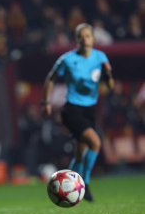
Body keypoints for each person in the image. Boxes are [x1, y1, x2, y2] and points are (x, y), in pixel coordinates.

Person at [42, 23, 114, 202]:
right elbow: (50, 79)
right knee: (95, 142)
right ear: (76, 39)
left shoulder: (100, 57)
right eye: (81, 36)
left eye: (88, 36)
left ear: (93, 39)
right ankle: (86, 184)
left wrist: (108, 76)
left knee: (80, 151)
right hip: (72, 109)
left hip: (90, 109)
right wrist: (46, 101)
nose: (85, 39)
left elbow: (109, 86)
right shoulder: (67, 59)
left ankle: (68, 185)